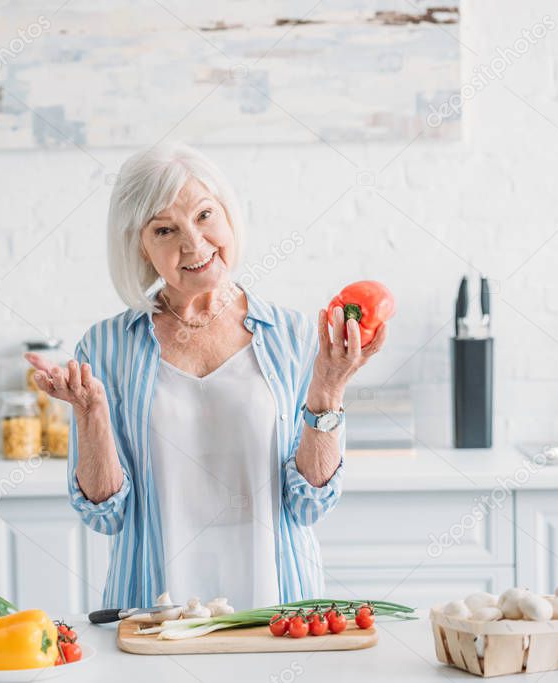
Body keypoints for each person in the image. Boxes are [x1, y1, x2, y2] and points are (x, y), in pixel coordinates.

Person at [27, 142, 387, 609]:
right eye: (164, 229)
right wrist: (92, 413)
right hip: (153, 615)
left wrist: (330, 387)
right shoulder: (105, 348)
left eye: (203, 215)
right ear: (141, 247)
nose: (193, 243)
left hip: (277, 615)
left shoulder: (295, 337)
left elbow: (310, 504)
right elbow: (105, 515)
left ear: (228, 214)